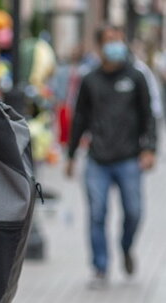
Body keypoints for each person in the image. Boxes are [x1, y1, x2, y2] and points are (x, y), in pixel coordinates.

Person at [67, 25, 157, 286]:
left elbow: (148, 116)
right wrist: (71, 155)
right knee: (97, 214)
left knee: (134, 212)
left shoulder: (136, 77)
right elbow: (79, 118)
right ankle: (100, 267)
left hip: (130, 158)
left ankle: (126, 247)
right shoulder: (90, 79)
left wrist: (149, 149)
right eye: (109, 41)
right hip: (97, 160)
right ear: (99, 47)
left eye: (118, 40)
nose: (115, 46)